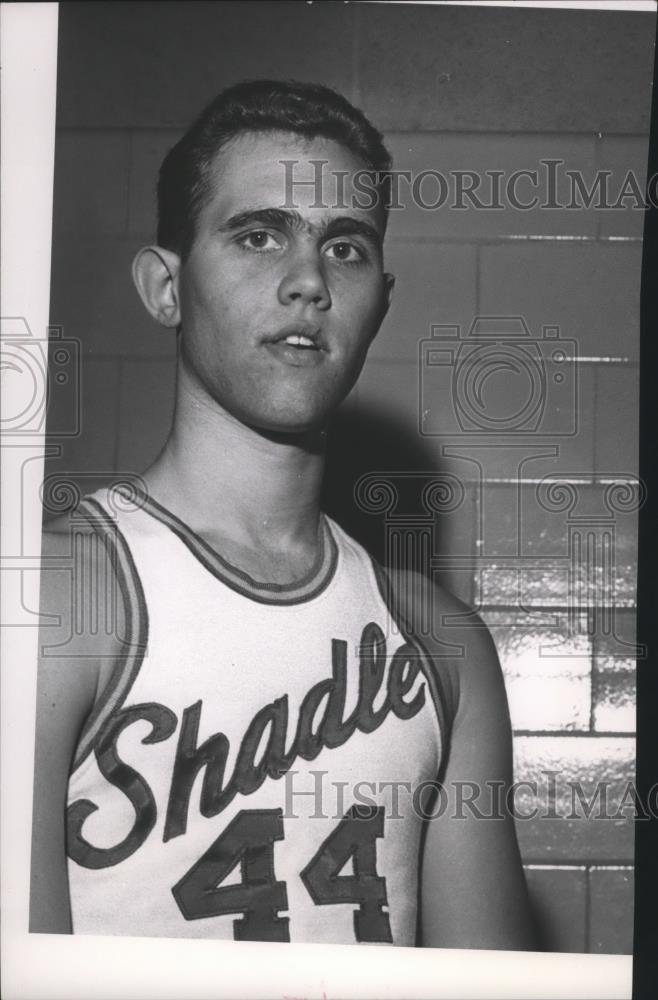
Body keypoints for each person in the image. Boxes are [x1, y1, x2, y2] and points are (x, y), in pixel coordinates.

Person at [30, 79, 535, 949]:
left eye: (344, 248)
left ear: (380, 299)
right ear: (165, 288)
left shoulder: (444, 643)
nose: (307, 280)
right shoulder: (55, 595)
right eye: (258, 236)